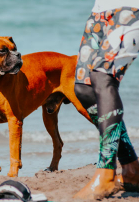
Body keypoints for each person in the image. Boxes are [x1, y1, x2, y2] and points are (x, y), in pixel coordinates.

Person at [74, 0, 139, 200]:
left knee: (103, 77)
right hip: (100, 11)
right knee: (84, 88)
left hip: (131, 8)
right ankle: (131, 169)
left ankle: (105, 172)